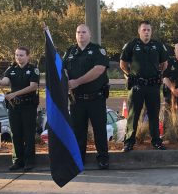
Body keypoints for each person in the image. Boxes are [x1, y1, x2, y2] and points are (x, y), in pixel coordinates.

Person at [63, 24, 110, 170]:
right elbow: (63, 69)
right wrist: (65, 79)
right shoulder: (70, 51)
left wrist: (77, 82)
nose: (80, 34)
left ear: (89, 35)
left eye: (84, 32)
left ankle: (103, 158)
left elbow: (99, 70)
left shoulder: (97, 50)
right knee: (78, 132)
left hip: (96, 98)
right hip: (77, 100)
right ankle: (79, 159)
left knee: (99, 131)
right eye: (78, 32)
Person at [121, 20, 168, 151]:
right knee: (133, 114)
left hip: (153, 85)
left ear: (151, 32)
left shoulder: (158, 45)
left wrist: (159, 73)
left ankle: (156, 141)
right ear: (139, 31)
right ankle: (129, 142)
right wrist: (129, 74)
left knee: (154, 114)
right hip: (137, 85)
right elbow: (123, 63)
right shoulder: (131, 45)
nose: (146, 32)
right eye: (144, 30)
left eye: (148, 30)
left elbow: (164, 64)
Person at [0, 47, 39, 171]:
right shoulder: (11, 69)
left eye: (21, 55)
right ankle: (18, 161)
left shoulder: (33, 70)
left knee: (28, 134)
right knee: (16, 134)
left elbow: (33, 86)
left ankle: (29, 161)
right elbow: (4, 82)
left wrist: (15, 94)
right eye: (16, 55)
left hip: (28, 106)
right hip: (14, 107)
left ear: (27, 56)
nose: (18, 57)